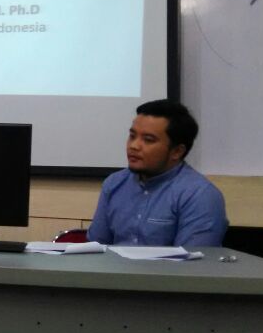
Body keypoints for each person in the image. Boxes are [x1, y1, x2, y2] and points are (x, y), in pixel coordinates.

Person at [87, 99, 228, 247]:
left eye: (148, 140)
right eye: (132, 136)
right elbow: (96, 247)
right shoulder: (115, 183)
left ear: (177, 151)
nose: (134, 146)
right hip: (113, 263)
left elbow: (193, 259)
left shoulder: (199, 195)